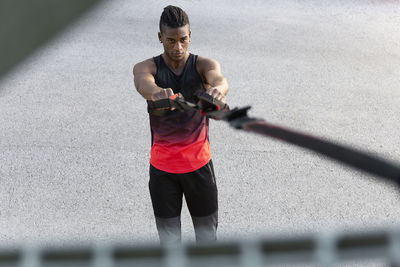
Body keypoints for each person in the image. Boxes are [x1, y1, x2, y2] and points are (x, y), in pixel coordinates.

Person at [133, 5, 228, 244]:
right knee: (169, 246)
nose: (177, 47)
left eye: (183, 40)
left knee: (208, 243)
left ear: (190, 36)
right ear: (160, 38)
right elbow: (143, 83)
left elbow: (219, 78)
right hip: (163, 172)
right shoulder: (148, 67)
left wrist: (218, 90)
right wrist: (155, 93)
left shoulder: (203, 65)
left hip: (199, 168)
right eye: (170, 40)